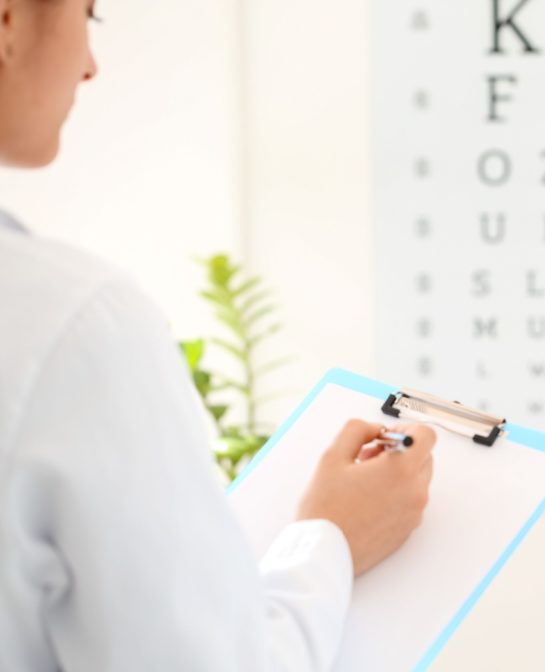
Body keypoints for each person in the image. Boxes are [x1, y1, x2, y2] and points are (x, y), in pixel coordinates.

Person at [0, 0, 436, 669]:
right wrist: (332, 537)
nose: (89, 64)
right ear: (7, 21)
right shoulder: (72, 325)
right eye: (90, 14)